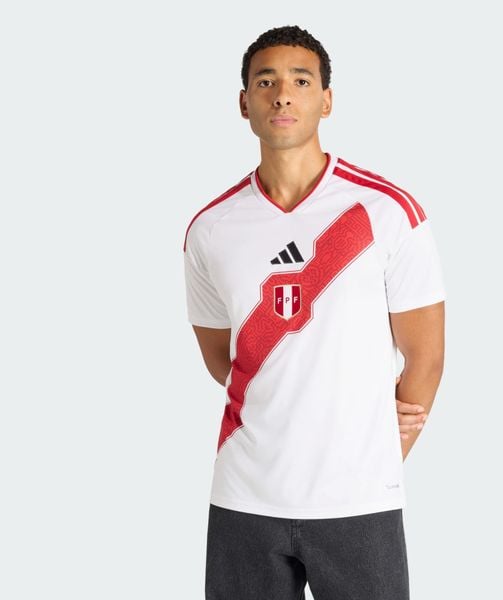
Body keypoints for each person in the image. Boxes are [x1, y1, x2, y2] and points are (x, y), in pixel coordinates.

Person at [183, 24, 446, 600]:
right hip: (244, 495)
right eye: (266, 81)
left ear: (326, 101)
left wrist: (378, 451)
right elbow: (222, 356)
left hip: (358, 501)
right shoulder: (211, 228)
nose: (283, 95)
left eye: (301, 81)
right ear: (244, 103)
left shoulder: (387, 211)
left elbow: (425, 357)